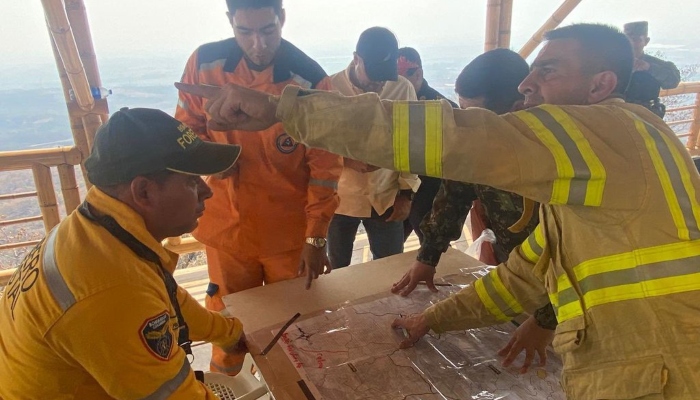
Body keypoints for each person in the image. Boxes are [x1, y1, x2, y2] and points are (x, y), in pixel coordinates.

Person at [178, 23, 700, 398]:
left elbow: (453, 139)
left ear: (601, 85)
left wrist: (284, 108)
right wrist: (434, 319)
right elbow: (521, 278)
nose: (526, 84)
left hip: (666, 373)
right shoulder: (584, 185)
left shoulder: (615, 132)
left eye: (548, 70)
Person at [0, 108, 246, 399]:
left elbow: (169, 299)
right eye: (192, 182)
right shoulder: (112, 288)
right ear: (143, 192)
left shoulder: (98, 230)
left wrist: (231, 335)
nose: (207, 192)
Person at [175, 0, 342, 374]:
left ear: (281, 19)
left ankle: (290, 387)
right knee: (227, 325)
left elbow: (325, 170)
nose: (258, 44)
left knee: (296, 329)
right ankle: (229, 387)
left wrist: (316, 239)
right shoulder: (205, 64)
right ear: (230, 22)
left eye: (267, 31)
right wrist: (212, 156)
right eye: (245, 32)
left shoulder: (310, 80)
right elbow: (186, 129)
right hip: (227, 231)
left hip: (289, 238)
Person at [392, 49, 552, 373]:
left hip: (573, 303)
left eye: (474, 114)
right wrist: (427, 257)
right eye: (461, 110)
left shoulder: (553, 158)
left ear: (516, 107)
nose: (466, 124)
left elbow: (574, 254)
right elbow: (453, 197)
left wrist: (547, 321)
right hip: (517, 279)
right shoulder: (478, 145)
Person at [326, 27, 419, 269]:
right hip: (339, 199)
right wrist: (345, 160)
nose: (379, 83)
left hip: (387, 196)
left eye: (384, 76)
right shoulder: (330, 89)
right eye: (374, 74)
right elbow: (316, 144)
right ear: (356, 58)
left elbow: (411, 143)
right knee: (336, 271)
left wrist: (406, 194)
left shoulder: (403, 88)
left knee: (389, 270)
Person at [397, 46, 457, 242]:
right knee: (394, 239)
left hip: (430, 182)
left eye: (405, 76)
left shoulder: (441, 105)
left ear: (419, 73)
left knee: (427, 234)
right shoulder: (394, 101)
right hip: (401, 182)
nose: (399, 83)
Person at [623, 21, 680, 117]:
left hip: (649, 114)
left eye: (636, 39)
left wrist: (649, 68)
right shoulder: (612, 63)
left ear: (646, 41)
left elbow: (673, 81)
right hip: (619, 112)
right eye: (627, 39)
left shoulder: (657, 64)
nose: (631, 43)